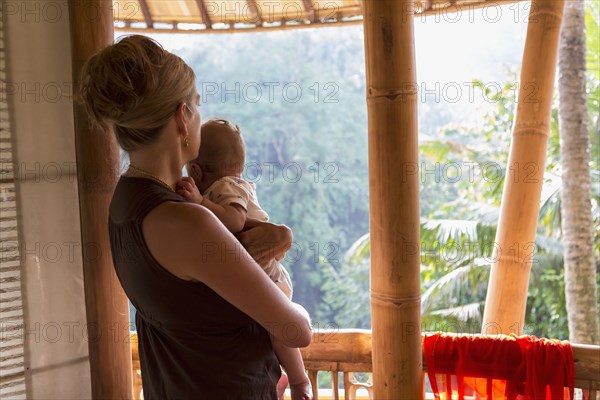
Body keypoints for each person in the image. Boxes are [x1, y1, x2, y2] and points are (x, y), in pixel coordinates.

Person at [78, 34, 312, 399]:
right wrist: (293, 307)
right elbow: (296, 331)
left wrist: (278, 233)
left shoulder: (125, 201)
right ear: (181, 120)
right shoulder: (187, 222)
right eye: (197, 106)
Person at [177, 118, 311, 400]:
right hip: (262, 274)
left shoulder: (225, 188)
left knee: (279, 329)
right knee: (270, 330)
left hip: (271, 278)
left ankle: (300, 381)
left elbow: (236, 221)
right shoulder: (229, 185)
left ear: (197, 171)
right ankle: (285, 378)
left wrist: (201, 202)